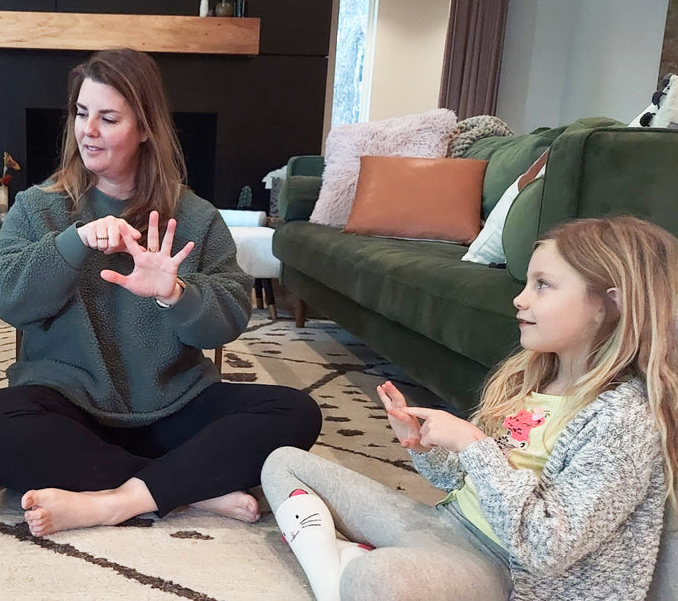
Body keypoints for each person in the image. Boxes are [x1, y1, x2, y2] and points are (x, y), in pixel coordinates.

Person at [0, 48, 322, 537]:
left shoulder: (196, 216)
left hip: (174, 405)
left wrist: (176, 293)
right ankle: (188, 487)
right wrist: (74, 242)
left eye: (108, 118)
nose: (88, 131)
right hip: (69, 404)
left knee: (296, 413)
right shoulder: (37, 207)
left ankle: (120, 499)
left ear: (146, 127)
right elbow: (5, 296)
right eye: (82, 114)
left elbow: (231, 318)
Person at [261, 215, 678, 601]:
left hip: (506, 569)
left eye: (543, 285)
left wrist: (475, 445)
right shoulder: (529, 378)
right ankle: (342, 570)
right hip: (446, 525)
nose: (520, 299)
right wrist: (425, 447)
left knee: (377, 577)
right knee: (283, 462)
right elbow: (457, 480)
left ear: (610, 304)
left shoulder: (624, 420)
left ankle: (341, 564)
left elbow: (548, 546)